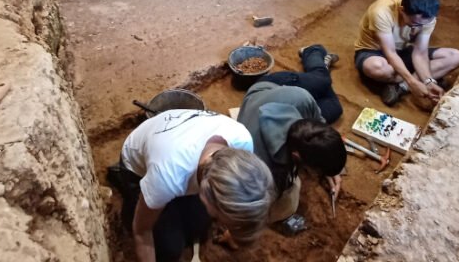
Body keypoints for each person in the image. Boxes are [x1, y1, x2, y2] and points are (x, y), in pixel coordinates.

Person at [112, 109, 274, 262]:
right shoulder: (167, 175)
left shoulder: (242, 144)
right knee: (170, 250)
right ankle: (125, 189)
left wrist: (236, 232)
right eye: (218, 216)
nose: (220, 223)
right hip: (136, 166)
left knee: (200, 230)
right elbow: (142, 232)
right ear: (204, 193)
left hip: (177, 146)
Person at [237, 81, 346, 223]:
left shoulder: (303, 99)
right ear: (296, 156)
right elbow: (251, 210)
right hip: (253, 101)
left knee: (334, 107)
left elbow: (321, 125)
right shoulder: (263, 170)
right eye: (315, 171)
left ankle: (321, 75)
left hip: (266, 91)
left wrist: (330, 163)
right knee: (287, 203)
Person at [353, 0, 459, 107]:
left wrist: (428, 81)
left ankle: (401, 87)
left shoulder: (427, 17)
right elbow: (390, 52)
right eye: (415, 23)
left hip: (403, 50)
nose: (419, 27)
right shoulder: (381, 11)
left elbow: (420, 53)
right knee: (377, 67)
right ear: (402, 10)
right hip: (375, 51)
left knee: (455, 56)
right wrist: (413, 82)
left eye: (423, 24)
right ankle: (412, 80)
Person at [257, 44, 343, 123]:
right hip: (284, 110)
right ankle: (323, 69)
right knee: (334, 107)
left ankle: (313, 51)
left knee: (322, 80)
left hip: (269, 88)